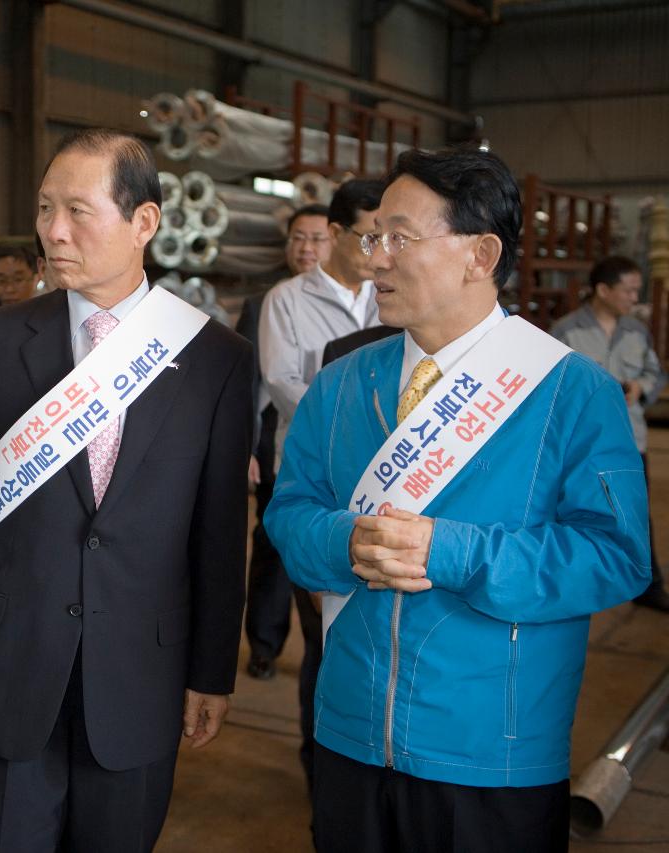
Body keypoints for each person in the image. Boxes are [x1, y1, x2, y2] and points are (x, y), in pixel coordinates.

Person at [265, 147, 651, 853]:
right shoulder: (344, 383)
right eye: (372, 235)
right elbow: (288, 512)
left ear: (481, 254)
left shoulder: (571, 391)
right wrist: (343, 543)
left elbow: (616, 555)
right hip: (348, 734)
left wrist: (453, 550)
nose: (375, 258)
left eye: (398, 238)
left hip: (492, 751)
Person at [0, 128, 253, 851]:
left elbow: (219, 533)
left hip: (141, 672)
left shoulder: (214, 357)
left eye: (77, 211)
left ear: (144, 223)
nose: (53, 232)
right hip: (7, 663)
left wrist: (211, 672)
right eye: (43, 209)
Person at [255, 180, 383, 788]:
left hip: (385, 482)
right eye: (369, 235)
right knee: (319, 620)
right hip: (314, 478)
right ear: (335, 234)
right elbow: (284, 383)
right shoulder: (287, 300)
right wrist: (358, 428)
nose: (380, 248)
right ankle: (319, 756)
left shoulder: (391, 295)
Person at [238, 203, 333, 685]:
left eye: (316, 238)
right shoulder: (267, 302)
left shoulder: (373, 300)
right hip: (276, 442)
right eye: (298, 238)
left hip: (332, 452)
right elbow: (246, 384)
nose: (306, 248)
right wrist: (247, 448)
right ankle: (264, 645)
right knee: (273, 550)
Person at [553, 255, 669, 611]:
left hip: (630, 440)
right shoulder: (566, 331)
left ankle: (647, 586)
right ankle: (570, 585)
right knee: (571, 511)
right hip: (579, 445)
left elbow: (655, 372)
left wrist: (640, 386)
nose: (635, 298)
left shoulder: (636, 331)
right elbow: (551, 385)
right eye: (629, 290)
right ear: (603, 290)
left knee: (635, 511)